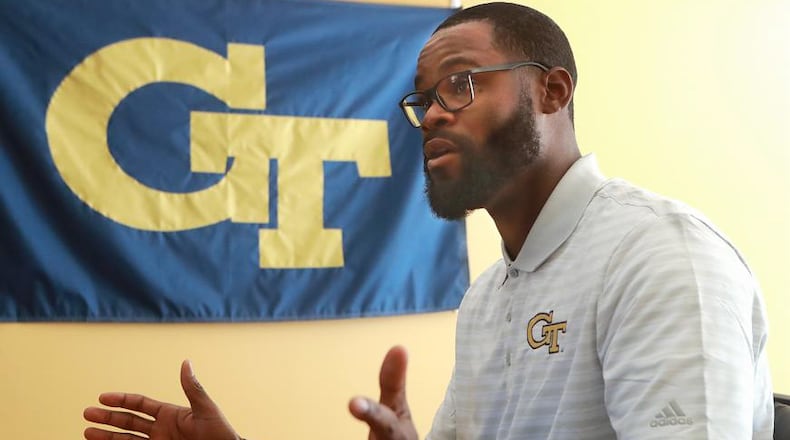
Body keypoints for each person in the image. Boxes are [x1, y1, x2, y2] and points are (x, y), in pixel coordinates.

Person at [83, 2, 774, 439]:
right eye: (423, 99)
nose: (434, 112)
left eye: (461, 83)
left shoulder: (659, 257)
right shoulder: (487, 297)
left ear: (553, 90)